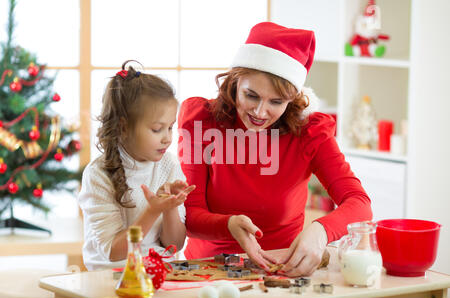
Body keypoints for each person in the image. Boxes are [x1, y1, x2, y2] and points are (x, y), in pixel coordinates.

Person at [177, 22, 372, 277]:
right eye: (251, 95)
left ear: (291, 99)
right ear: (235, 82)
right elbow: (188, 214)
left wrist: (321, 231)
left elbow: (359, 203)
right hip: (208, 271)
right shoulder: (202, 121)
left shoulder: (309, 132)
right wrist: (228, 225)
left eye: (276, 102)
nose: (260, 112)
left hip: (283, 272)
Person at [78, 60, 195, 270]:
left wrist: (170, 208)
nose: (167, 138)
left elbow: (174, 245)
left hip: (162, 273)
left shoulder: (168, 165)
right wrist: (152, 210)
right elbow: (113, 251)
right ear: (123, 127)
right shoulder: (98, 174)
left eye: (170, 128)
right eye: (157, 129)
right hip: (112, 278)